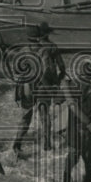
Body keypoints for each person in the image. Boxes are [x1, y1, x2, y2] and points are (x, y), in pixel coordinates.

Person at [12, 21, 66, 155]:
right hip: (43, 87)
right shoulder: (47, 50)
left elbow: (16, 70)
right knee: (44, 116)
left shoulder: (23, 50)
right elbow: (55, 68)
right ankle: (47, 145)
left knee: (25, 117)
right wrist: (56, 84)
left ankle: (17, 144)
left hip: (26, 87)